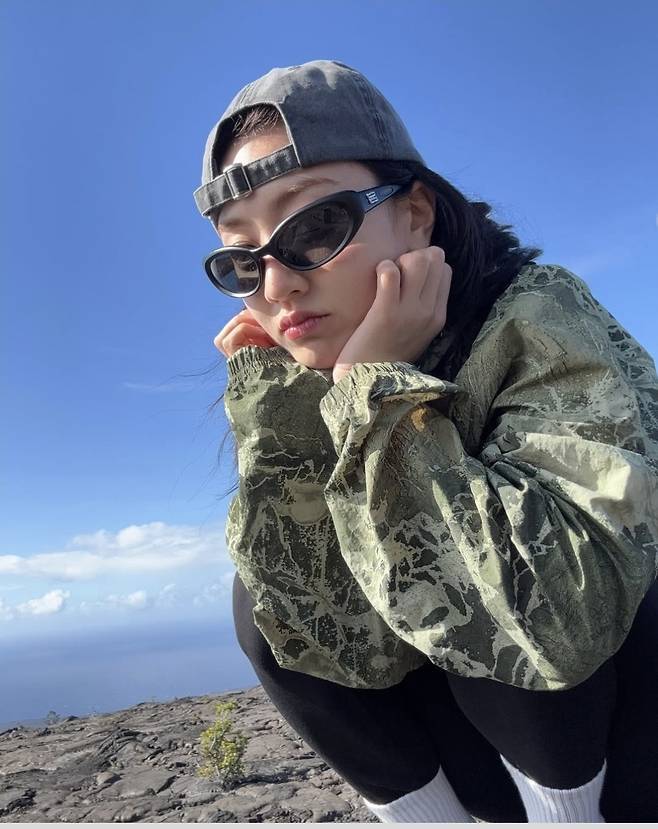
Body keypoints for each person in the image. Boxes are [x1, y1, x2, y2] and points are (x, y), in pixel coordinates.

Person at [192, 60, 658, 822]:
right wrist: (290, 409)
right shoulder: (304, 373)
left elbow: (564, 620)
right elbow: (335, 641)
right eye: (244, 260)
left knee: (484, 539)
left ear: (415, 213)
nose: (277, 286)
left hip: (621, 751)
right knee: (267, 602)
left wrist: (378, 392)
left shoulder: (536, 319)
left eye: (314, 228)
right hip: (483, 760)